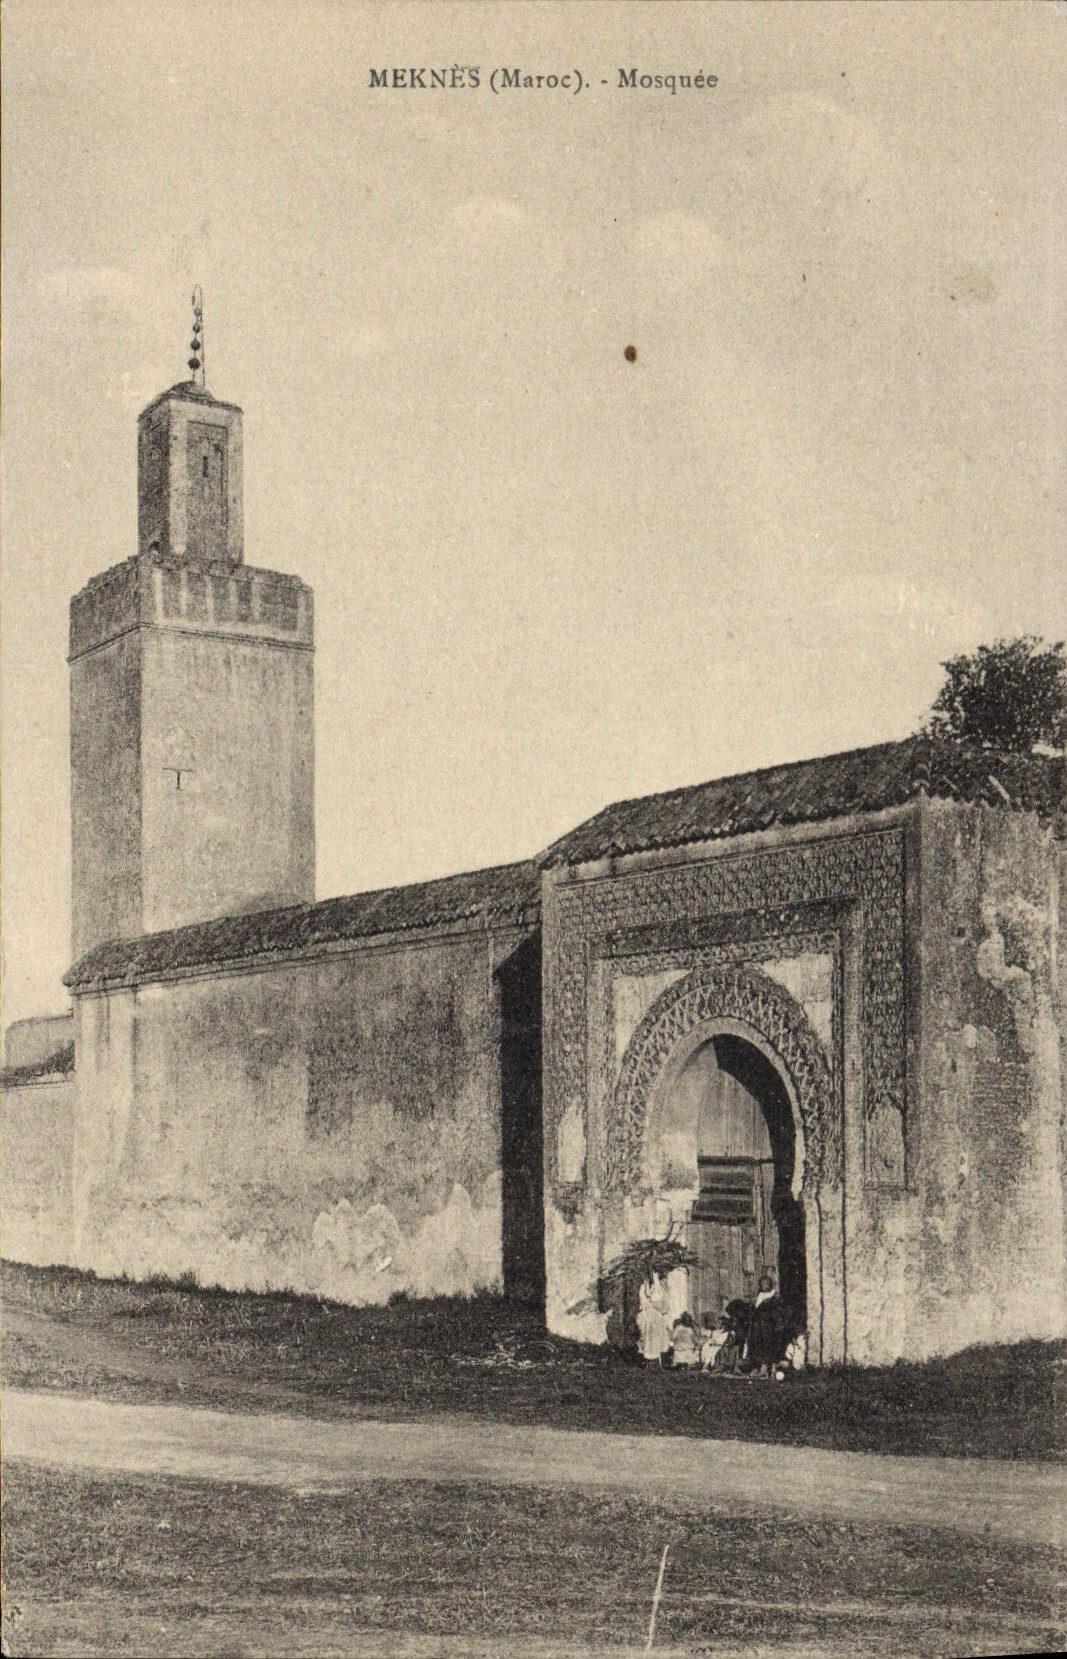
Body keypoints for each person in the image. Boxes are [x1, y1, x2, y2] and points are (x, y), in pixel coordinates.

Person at [747, 1272, 783, 1376]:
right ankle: (758, 1367)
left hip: (769, 1326)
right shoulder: (759, 1295)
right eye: (762, 1284)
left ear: (770, 1284)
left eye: (766, 1283)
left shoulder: (774, 1296)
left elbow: (777, 1313)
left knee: (768, 1346)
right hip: (758, 1326)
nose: (764, 1286)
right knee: (756, 1346)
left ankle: (767, 1369)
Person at [637, 1271, 671, 1363]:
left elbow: (662, 1306)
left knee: (656, 1339)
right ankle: (649, 1359)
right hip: (650, 1317)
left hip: (655, 1317)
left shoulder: (660, 1292)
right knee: (649, 1338)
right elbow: (647, 1300)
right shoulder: (649, 1290)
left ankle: (655, 1360)